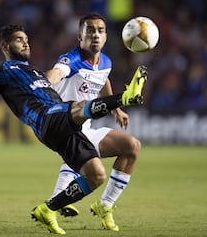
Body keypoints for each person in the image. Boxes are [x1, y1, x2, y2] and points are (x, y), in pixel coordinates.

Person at [0, 24, 148, 235]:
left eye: (26, 39)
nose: (26, 42)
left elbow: (92, 78)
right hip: (44, 118)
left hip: (63, 125)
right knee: (78, 106)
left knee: (96, 176)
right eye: (19, 39)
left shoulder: (35, 71)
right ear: (4, 45)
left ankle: (48, 209)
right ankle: (125, 96)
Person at [46, 12, 141, 232]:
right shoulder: (72, 60)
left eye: (99, 30)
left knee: (132, 147)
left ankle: (104, 205)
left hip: (82, 128)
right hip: (60, 124)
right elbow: (58, 72)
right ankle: (58, 201)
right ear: (80, 38)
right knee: (84, 156)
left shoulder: (105, 62)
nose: (95, 35)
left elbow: (103, 78)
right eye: (89, 30)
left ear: (106, 37)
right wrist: (47, 81)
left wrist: (116, 109)